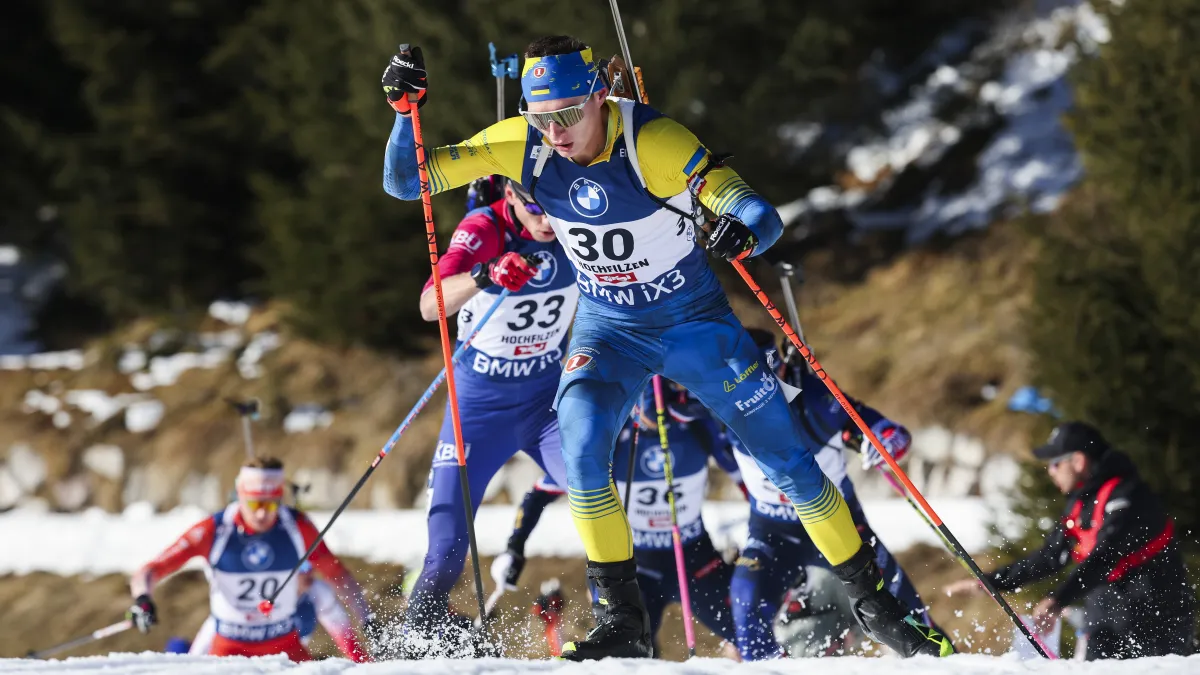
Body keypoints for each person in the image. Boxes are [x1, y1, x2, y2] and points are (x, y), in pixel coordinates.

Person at [380, 36, 950, 660]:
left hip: (694, 323)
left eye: (568, 113)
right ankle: (620, 618)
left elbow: (760, 215)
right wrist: (405, 114)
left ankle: (879, 608)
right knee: (582, 440)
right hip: (609, 328)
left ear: (599, 95)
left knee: (788, 462)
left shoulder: (653, 141)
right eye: (542, 118)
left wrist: (739, 231)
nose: (556, 131)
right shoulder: (522, 142)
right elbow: (407, 182)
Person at [400, 175, 577, 657]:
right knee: (445, 555)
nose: (547, 220)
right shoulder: (484, 228)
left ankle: (619, 621)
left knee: (595, 496)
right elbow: (427, 305)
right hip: (476, 414)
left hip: (544, 408)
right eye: (536, 209)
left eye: (553, 207)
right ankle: (416, 641)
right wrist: (485, 274)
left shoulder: (576, 219)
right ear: (512, 197)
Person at [728, 329, 935, 659]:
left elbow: (885, 429)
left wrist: (884, 441)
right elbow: (665, 415)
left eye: (767, 384)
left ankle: (941, 661)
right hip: (774, 531)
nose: (756, 398)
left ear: (779, 372)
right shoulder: (721, 402)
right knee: (744, 596)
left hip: (839, 522)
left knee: (902, 608)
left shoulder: (814, 398)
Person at [494, 382, 742, 657]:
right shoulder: (611, 438)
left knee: (751, 636)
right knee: (630, 654)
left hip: (695, 561)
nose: (654, 417)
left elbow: (748, 479)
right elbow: (540, 493)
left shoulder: (695, 426)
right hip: (634, 569)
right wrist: (514, 547)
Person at [946, 422, 1194, 659]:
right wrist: (990, 582)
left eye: (1055, 463)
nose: (1050, 471)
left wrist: (1056, 600)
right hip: (1105, 613)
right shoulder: (1080, 501)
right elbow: (1051, 556)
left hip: (1156, 613)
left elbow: (1105, 556)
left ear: (1078, 461)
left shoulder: (1129, 497)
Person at [126, 457, 372, 662]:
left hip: (285, 649)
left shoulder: (297, 527)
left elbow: (336, 573)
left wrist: (366, 619)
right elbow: (152, 569)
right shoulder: (214, 531)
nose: (263, 513)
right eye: (255, 503)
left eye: (272, 504)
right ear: (239, 495)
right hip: (228, 650)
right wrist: (143, 598)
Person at [188, 562, 365, 660]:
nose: (308, 573)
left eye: (311, 566)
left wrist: (363, 665)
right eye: (301, 568)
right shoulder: (261, 593)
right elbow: (210, 635)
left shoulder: (318, 592)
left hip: (286, 660)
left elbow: (345, 637)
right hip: (245, 659)